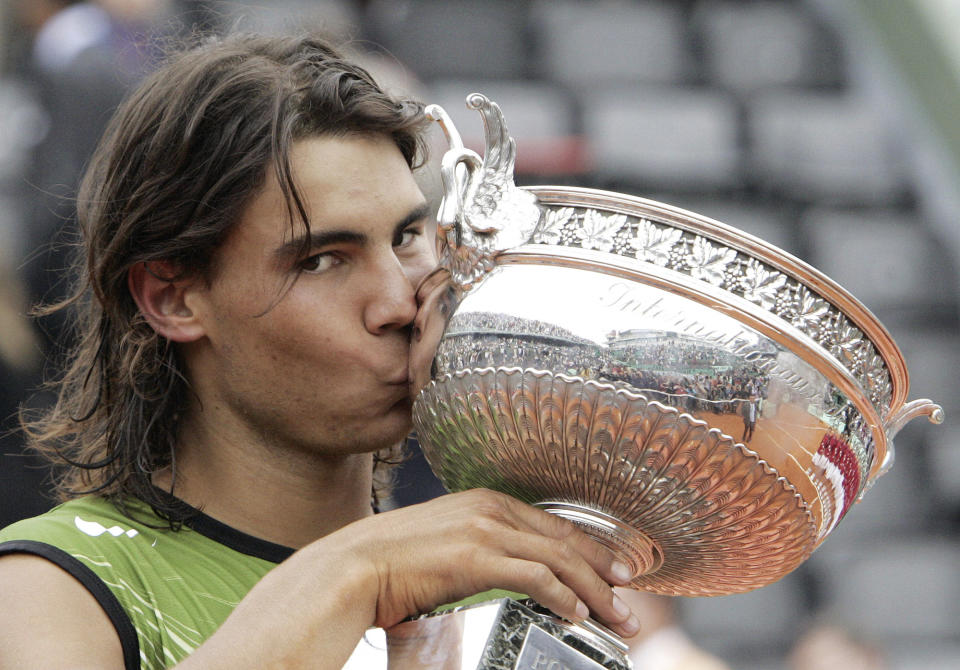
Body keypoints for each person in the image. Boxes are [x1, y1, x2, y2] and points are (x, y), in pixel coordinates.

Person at [0, 32, 641, 669]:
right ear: (173, 298)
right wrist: (356, 573)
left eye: (408, 236)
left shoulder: (504, 583)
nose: (398, 302)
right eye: (322, 260)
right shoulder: (52, 584)